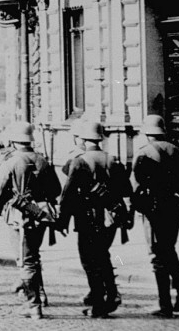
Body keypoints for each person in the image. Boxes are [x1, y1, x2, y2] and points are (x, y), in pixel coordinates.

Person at [57, 120, 132, 317]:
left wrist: (62, 220)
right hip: (111, 218)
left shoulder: (80, 161)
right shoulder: (112, 160)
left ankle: (99, 303)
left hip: (88, 218)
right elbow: (126, 190)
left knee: (89, 260)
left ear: (82, 138)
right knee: (103, 255)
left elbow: (68, 194)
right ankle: (112, 294)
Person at [0, 122, 61, 320]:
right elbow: (56, 190)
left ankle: (33, 305)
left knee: (25, 260)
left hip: (20, 217)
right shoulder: (42, 160)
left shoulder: (10, 162)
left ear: (13, 140)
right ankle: (40, 294)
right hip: (41, 216)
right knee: (33, 256)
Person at [132, 114, 179, 317]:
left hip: (153, 209)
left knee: (157, 255)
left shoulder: (144, 153)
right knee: (169, 249)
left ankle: (165, 304)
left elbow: (135, 184)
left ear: (146, 133)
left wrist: (136, 209)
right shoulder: (177, 151)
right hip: (174, 207)